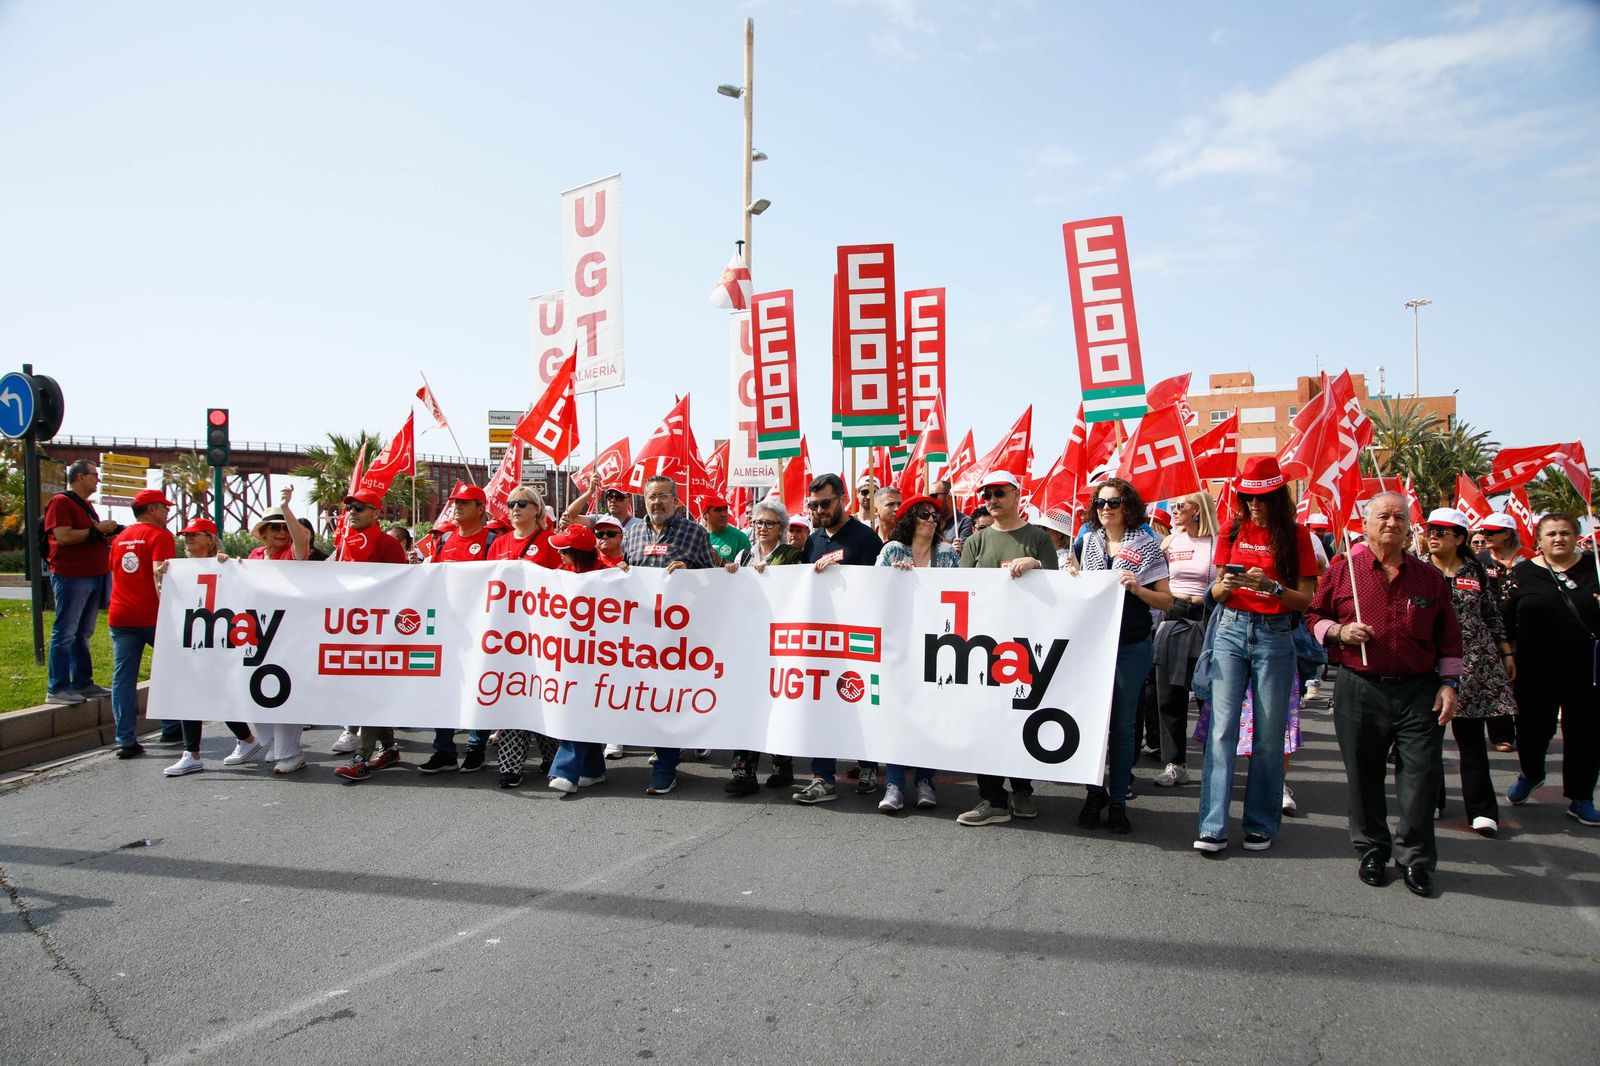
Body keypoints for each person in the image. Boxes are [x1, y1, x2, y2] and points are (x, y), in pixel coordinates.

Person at [1305, 491, 1462, 896]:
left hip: (1419, 691)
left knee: (1422, 776)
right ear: (1367, 523)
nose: (1391, 523)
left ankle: (1415, 859)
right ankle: (1372, 850)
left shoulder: (1429, 578)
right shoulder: (1345, 571)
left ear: (1410, 526)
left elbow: (1450, 638)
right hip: (1359, 688)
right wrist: (1338, 631)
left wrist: (1450, 685)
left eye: (1399, 517)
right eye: (1383, 517)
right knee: (1363, 775)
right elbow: (1313, 615)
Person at [1194, 457, 1318, 855]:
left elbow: (1306, 598)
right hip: (1231, 627)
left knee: (1268, 735)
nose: (1255, 505)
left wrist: (1272, 587)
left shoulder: (1296, 536)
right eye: (1248, 497)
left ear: (1277, 496)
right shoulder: (1231, 529)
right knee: (1222, 729)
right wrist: (1225, 585)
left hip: (1275, 635)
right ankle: (1212, 825)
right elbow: (1214, 594)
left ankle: (1261, 824)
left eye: (1262, 498)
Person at [953, 471, 1059, 826]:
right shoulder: (975, 542)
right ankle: (992, 798)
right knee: (987, 720)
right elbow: (963, 592)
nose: (992, 500)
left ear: (1017, 495)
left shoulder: (1038, 538)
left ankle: (1023, 788)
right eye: (987, 495)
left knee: (1021, 715)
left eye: (999, 493)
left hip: (1027, 644)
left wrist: (1038, 565)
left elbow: (1060, 592)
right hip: (984, 648)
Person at [1071, 477, 1172, 834]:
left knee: (1123, 726)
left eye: (1113, 503)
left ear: (1128, 506)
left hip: (1130, 645)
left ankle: (1117, 801)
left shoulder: (1148, 546)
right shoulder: (1087, 544)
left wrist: (1138, 588)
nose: (1106, 509)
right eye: (1100, 503)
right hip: (1094, 646)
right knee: (1094, 723)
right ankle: (1093, 793)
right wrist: (1072, 576)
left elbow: (1167, 600)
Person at [617, 475, 719, 794]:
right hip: (641, 635)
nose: (657, 502)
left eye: (663, 496)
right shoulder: (631, 533)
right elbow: (625, 571)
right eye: (651, 497)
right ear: (643, 501)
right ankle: (664, 748)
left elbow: (714, 581)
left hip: (678, 635)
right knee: (648, 698)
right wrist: (621, 572)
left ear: (676, 500)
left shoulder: (694, 533)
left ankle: (665, 767)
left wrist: (691, 573)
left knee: (668, 699)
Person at [791, 473, 886, 805]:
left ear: (843, 499)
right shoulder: (813, 540)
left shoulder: (866, 538)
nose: (820, 510)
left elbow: (882, 587)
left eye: (826, 503)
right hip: (823, 642)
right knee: (821, 705)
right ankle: (822, 777)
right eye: (814, 504)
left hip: (859, 640)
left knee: (859, 702)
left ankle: (868, 763)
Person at [1422, 507, 1516, 835]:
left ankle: (1481, 809)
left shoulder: (1475, 570)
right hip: (1428, 666)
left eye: (1441, 531)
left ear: (1460, 538)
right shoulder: (1418, 571)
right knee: (1427, 739)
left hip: (1474, 666)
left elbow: (1491, 613)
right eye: (1430, 529)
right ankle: (1431, 799)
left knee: (1471, 741)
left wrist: (1505, 652)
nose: (1432, 535)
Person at [1502, 512, 1600, 827]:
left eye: (1565, 533)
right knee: (1531, 732)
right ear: (1538, 541)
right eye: (1551, 534)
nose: (1558, 538)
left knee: (1585, 737)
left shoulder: (1595, 569)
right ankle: (1531, 774)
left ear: (1576, 537)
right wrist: (1508, 655)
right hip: (1533, 670)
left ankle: (1581, 797)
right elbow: (1503, 620)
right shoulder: (1521, 573)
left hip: (1586, 671)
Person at [876, 494, 959, 813]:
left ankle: (926, 779)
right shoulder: (892, 550)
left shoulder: (947, 555)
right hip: (899, 643)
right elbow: (872, 591)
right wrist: (892, 577)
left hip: (937, 644)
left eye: (936, 514)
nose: (931, 518)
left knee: (929, 714)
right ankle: (895, 783)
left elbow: (960, 593)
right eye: (923, 513)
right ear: (910, 517)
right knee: (898, 713)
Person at [165, 517, 264, 773]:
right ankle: (194, 753)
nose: (187, 539)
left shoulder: (225, 565)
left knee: (218, 693)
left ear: (209, 539)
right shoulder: (178, 569)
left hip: (219, 639)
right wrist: (162, 578)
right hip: (191, 640)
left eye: (194, 534)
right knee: (191, 693)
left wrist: (229, 566)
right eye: (185, 535)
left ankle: (245, 739)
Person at [328, 490, 412, 781]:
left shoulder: (388, 545)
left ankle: (361, 757)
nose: (352, 511)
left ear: (376, 513)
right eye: (350, 507)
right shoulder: (344, 544)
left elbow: (401, 588)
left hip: (380, 629)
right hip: (352, 627)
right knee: (366, 690)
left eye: (360, 507)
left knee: (370, 692)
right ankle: (389, 747)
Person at [723, 497, 803, 795]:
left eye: (769, 523)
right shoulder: (744, 554)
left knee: (777, 702)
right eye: (758, 522)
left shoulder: (793, 555)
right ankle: (743, 772)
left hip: (779, 642)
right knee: (746, 703)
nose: (762, 528)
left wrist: (770, 577)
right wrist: (733, 574)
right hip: (747, 642)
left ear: (781, 528)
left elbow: (797, 592)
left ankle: (783, 764)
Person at [419, 483, 497, 774]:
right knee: (444, 689)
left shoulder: (491, 541)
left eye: (464, 502)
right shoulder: (444, 541)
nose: (457, 506)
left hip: (479, 628)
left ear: (480, 508)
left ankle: (475, 749)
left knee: (478, 688)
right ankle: (444, 751)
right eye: (455, 502)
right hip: (447, 628)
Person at [488, 485, 563, 784]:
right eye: (511, 503)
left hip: (542, 635)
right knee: (512, 695)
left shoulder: (550, 541)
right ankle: (510, 766)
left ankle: (552, 758)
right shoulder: (499, 543)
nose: (515, 508)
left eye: (522, 503)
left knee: (543, 696)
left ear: (537, 509)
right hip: (507, 636)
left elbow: (561, 583)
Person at [1152, 491, 1217, 788]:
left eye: (1180, 505)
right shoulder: (1169, 541)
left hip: (1206, 617)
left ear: (1198, 510)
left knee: (1208, 696)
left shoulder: (1217, 541)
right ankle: (1175, 763)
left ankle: (1214, 761)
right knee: (1169, 695)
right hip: (1174, 615)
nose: (1174, 510)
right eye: (1172, 505)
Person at [246, 487, 313, 773]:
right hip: (257, 634)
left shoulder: (294, 554)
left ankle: (291, 752)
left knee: (284, 692)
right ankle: (272, 743)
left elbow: (301, 541)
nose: (281, 532)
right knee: (255, 692)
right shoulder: (254, 555)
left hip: (289, 634)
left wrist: (286, 507)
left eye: (284, 528)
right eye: (274, 527)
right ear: (263, 533)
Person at [106, 490, 177, 759]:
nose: (168, 512)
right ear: (151, 510)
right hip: (152, 616)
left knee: (123, 678)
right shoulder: (160, 536)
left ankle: (125, 740)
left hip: (120, 616)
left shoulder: (119, 539)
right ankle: (171, 726)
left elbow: (116, 573)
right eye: (164, 508)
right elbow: (161, 576)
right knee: (171, 670)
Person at [44, 460, 119, 706]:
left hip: (92, 574)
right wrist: (97, 530)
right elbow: (62, 535)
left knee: (82, 633)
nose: (97, 479)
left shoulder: (85, 505)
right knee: (65, 631)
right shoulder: (61, 502)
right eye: (93, 475)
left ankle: (82, 682)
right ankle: (57, 687)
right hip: (72, 575)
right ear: (78, 477)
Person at [544, 523, 611, 793]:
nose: (559, 553)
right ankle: (593, 770)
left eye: (564, 549)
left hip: (601, 656)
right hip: (569, 655)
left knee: (578, 710)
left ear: (577, 552)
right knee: (579, 708)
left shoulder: (608, 575)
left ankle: (566, 771)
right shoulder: (561, 574)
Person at [1475, 511, 1524, 752]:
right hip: (1493, 630)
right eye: (1484, 532)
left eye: (1491, 532)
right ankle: (1502, 734)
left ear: (1507, 534)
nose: (1485, 536)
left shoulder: (1529, 560)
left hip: (1524, 631)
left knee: (1524, 684)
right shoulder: (1480, 560)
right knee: (1498, 683)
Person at [701, 496, 751, 563]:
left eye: (725, 509)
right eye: (718, 510)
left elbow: (748, 570)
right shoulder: (698, 538)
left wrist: (721, 561)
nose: (724, 514)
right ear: (705, 514)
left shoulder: (740, 538)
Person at [930, 479, 972, 549]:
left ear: (949, 498)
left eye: (934, 496)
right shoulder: (930, 520)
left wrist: (952, 549)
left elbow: (965, 553)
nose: (931, 500)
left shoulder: (964, 521)